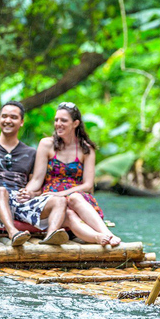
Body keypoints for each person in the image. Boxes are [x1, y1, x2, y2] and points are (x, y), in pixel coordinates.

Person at [0, 101, 70, 246]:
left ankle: (51, 235)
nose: (8, 120)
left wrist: (31, 194)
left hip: (19, 203)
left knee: (60, 200)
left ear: (21, 122)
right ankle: (13, 233)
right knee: (1, 191)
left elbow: (37, 187)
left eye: (13, 117)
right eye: (4, 116)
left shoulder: (31, 153)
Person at [21, 102, 121, 247]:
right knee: (68, 213)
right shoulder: (46, 144)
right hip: (53, 197)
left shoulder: (86, 149)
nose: (58, 124)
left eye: (63, 120)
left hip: (78, 197)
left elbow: (88, 185)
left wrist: (63, 193)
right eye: (56, 120)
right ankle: (98, 237)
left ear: (75, 123)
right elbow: (37, 179)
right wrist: (26, 193)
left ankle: (108, 234)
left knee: (74, 198)